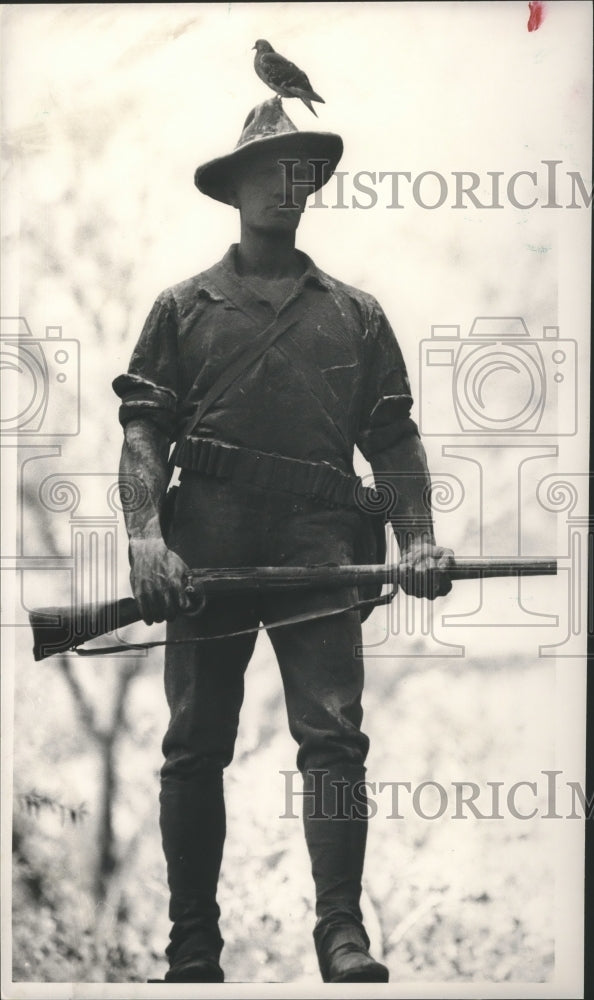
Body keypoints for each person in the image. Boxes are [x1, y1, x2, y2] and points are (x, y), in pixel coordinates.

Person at [113, 98, 453, 984]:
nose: (282, 184)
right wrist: (147, 536)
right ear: (233, 189)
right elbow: (143, 432)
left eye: (298, 170)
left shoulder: (356, 314)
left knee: (335, 740)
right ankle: (193, 944)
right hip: (206, 553)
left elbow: (394, 440)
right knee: (194, 744)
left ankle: (342, 931)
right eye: (265, 170)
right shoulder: (181, 307)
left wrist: (416, 540)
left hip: (320, 549)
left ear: (313, 186)